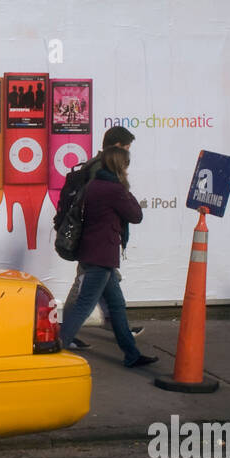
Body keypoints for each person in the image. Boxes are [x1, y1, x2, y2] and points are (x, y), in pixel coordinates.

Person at [57, 146, 155, 367]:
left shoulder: (93, 185)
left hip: (91, 252)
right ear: (120, 166)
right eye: (126, 166)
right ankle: (55, 348)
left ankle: (132, 355)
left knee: (117, 306)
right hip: (102, 256)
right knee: (84, 306)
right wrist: (125, 188)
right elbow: (136, 215)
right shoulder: (115, 190)